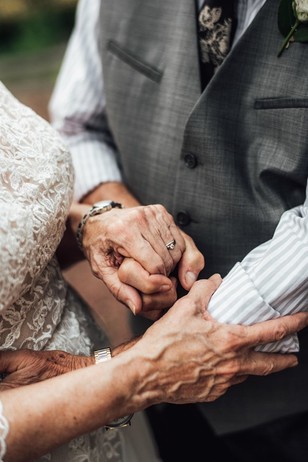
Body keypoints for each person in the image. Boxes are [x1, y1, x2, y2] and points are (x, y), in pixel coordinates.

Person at [49, 0, 308, 461]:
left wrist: (147, 361)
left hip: (290, 397)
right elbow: (77, 124)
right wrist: (127, 224)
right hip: (153, 396)